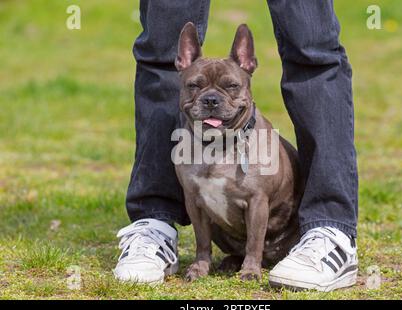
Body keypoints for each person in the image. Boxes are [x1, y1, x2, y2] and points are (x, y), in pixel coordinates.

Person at [113, 0, 359, 291]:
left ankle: (327, 228)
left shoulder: (261, 143)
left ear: (248, 65)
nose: (211, 100)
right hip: (220, 214)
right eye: (195, 88)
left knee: (311, 44)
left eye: (230, 88)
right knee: (161, 44)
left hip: (276, 224)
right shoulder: (186, 143)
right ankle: (154, 224)